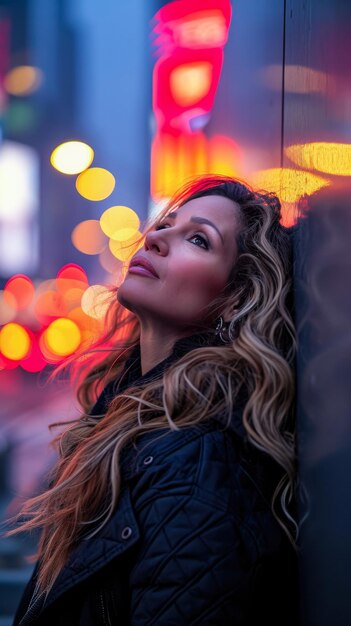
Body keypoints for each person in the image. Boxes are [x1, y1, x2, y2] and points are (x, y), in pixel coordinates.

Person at [9, 174, 299, 625]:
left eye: (199, 240)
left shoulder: (198, 462)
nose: (158, 237)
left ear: (233, 299)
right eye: (167, 224)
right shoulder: (129, 417)